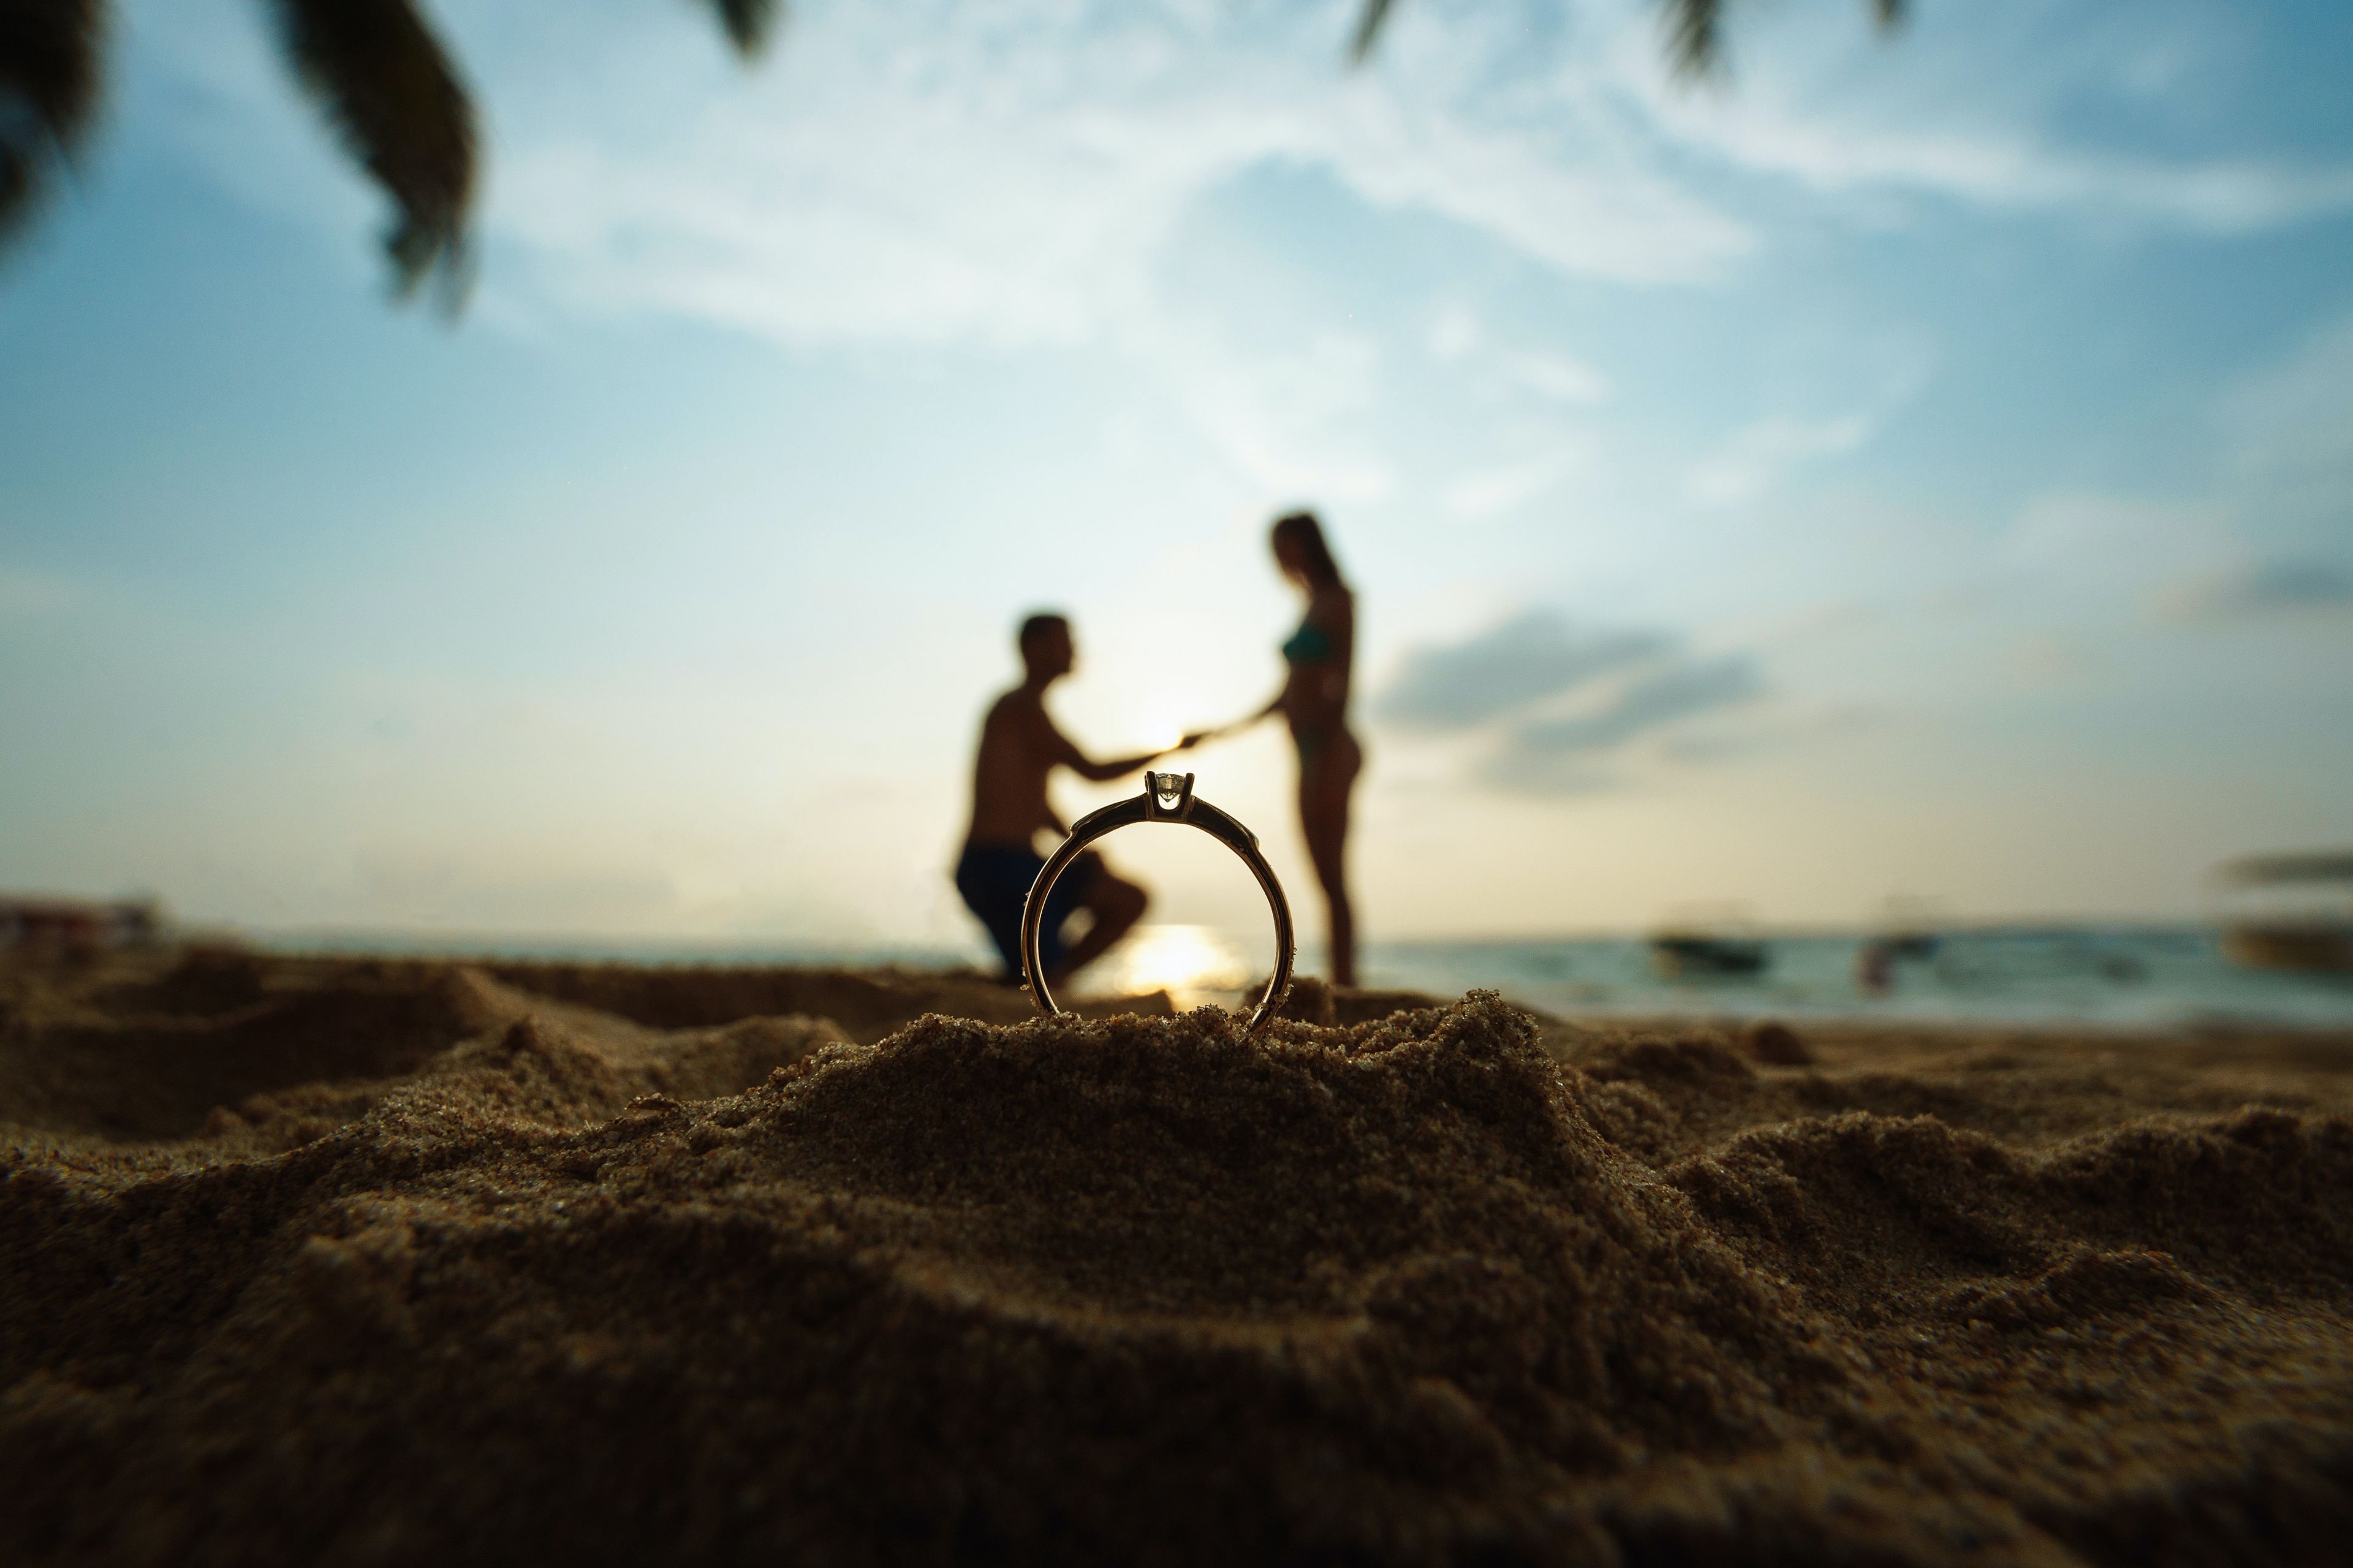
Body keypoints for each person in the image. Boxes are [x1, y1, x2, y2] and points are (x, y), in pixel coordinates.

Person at [956, 612, 1183, 988]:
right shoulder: (1019, 708)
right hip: (997, 869)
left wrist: (1075, 846)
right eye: (1064, 640)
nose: (1074, 649)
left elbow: (1033, 805)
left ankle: (1047, 981)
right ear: (1033, 648)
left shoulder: (1025, 712)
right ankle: (1050, 982)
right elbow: (1093, 770)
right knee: (1037, 973)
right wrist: (1170, 748)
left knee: (1124, 900)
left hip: (1019, 864)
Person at [1188, 511, 1362, 987]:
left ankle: (1346, 983)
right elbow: (1287, 693)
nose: (1283, 557)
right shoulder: (1306, 604)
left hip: (1330, 746)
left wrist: (1324, 737)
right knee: (1321, 876)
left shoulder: (1339, 599)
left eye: (1289, 545)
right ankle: (1341, 978)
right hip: (1304, 747)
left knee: (1333, 877)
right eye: (1278, 548)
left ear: (1310, 544)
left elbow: (1344, 681)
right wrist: (1224, 730)